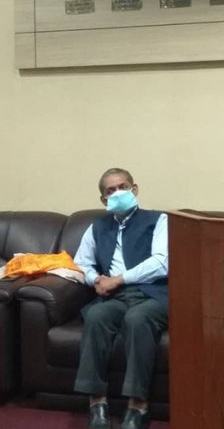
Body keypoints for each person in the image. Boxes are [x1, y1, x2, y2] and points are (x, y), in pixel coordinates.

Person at [72, 168, 168, 429]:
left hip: (152, 294)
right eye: (111, 190)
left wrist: (119, 279)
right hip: (115, 296)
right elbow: (81, 263)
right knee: (96, 316)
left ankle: (138, 405)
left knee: (137, 319)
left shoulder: (158, 220)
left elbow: (161, 262)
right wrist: (95, 280)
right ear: (103, 199)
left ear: (134, 189)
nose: (118, 193)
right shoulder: (97, 226)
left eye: (123, 187)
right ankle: (97, 403)